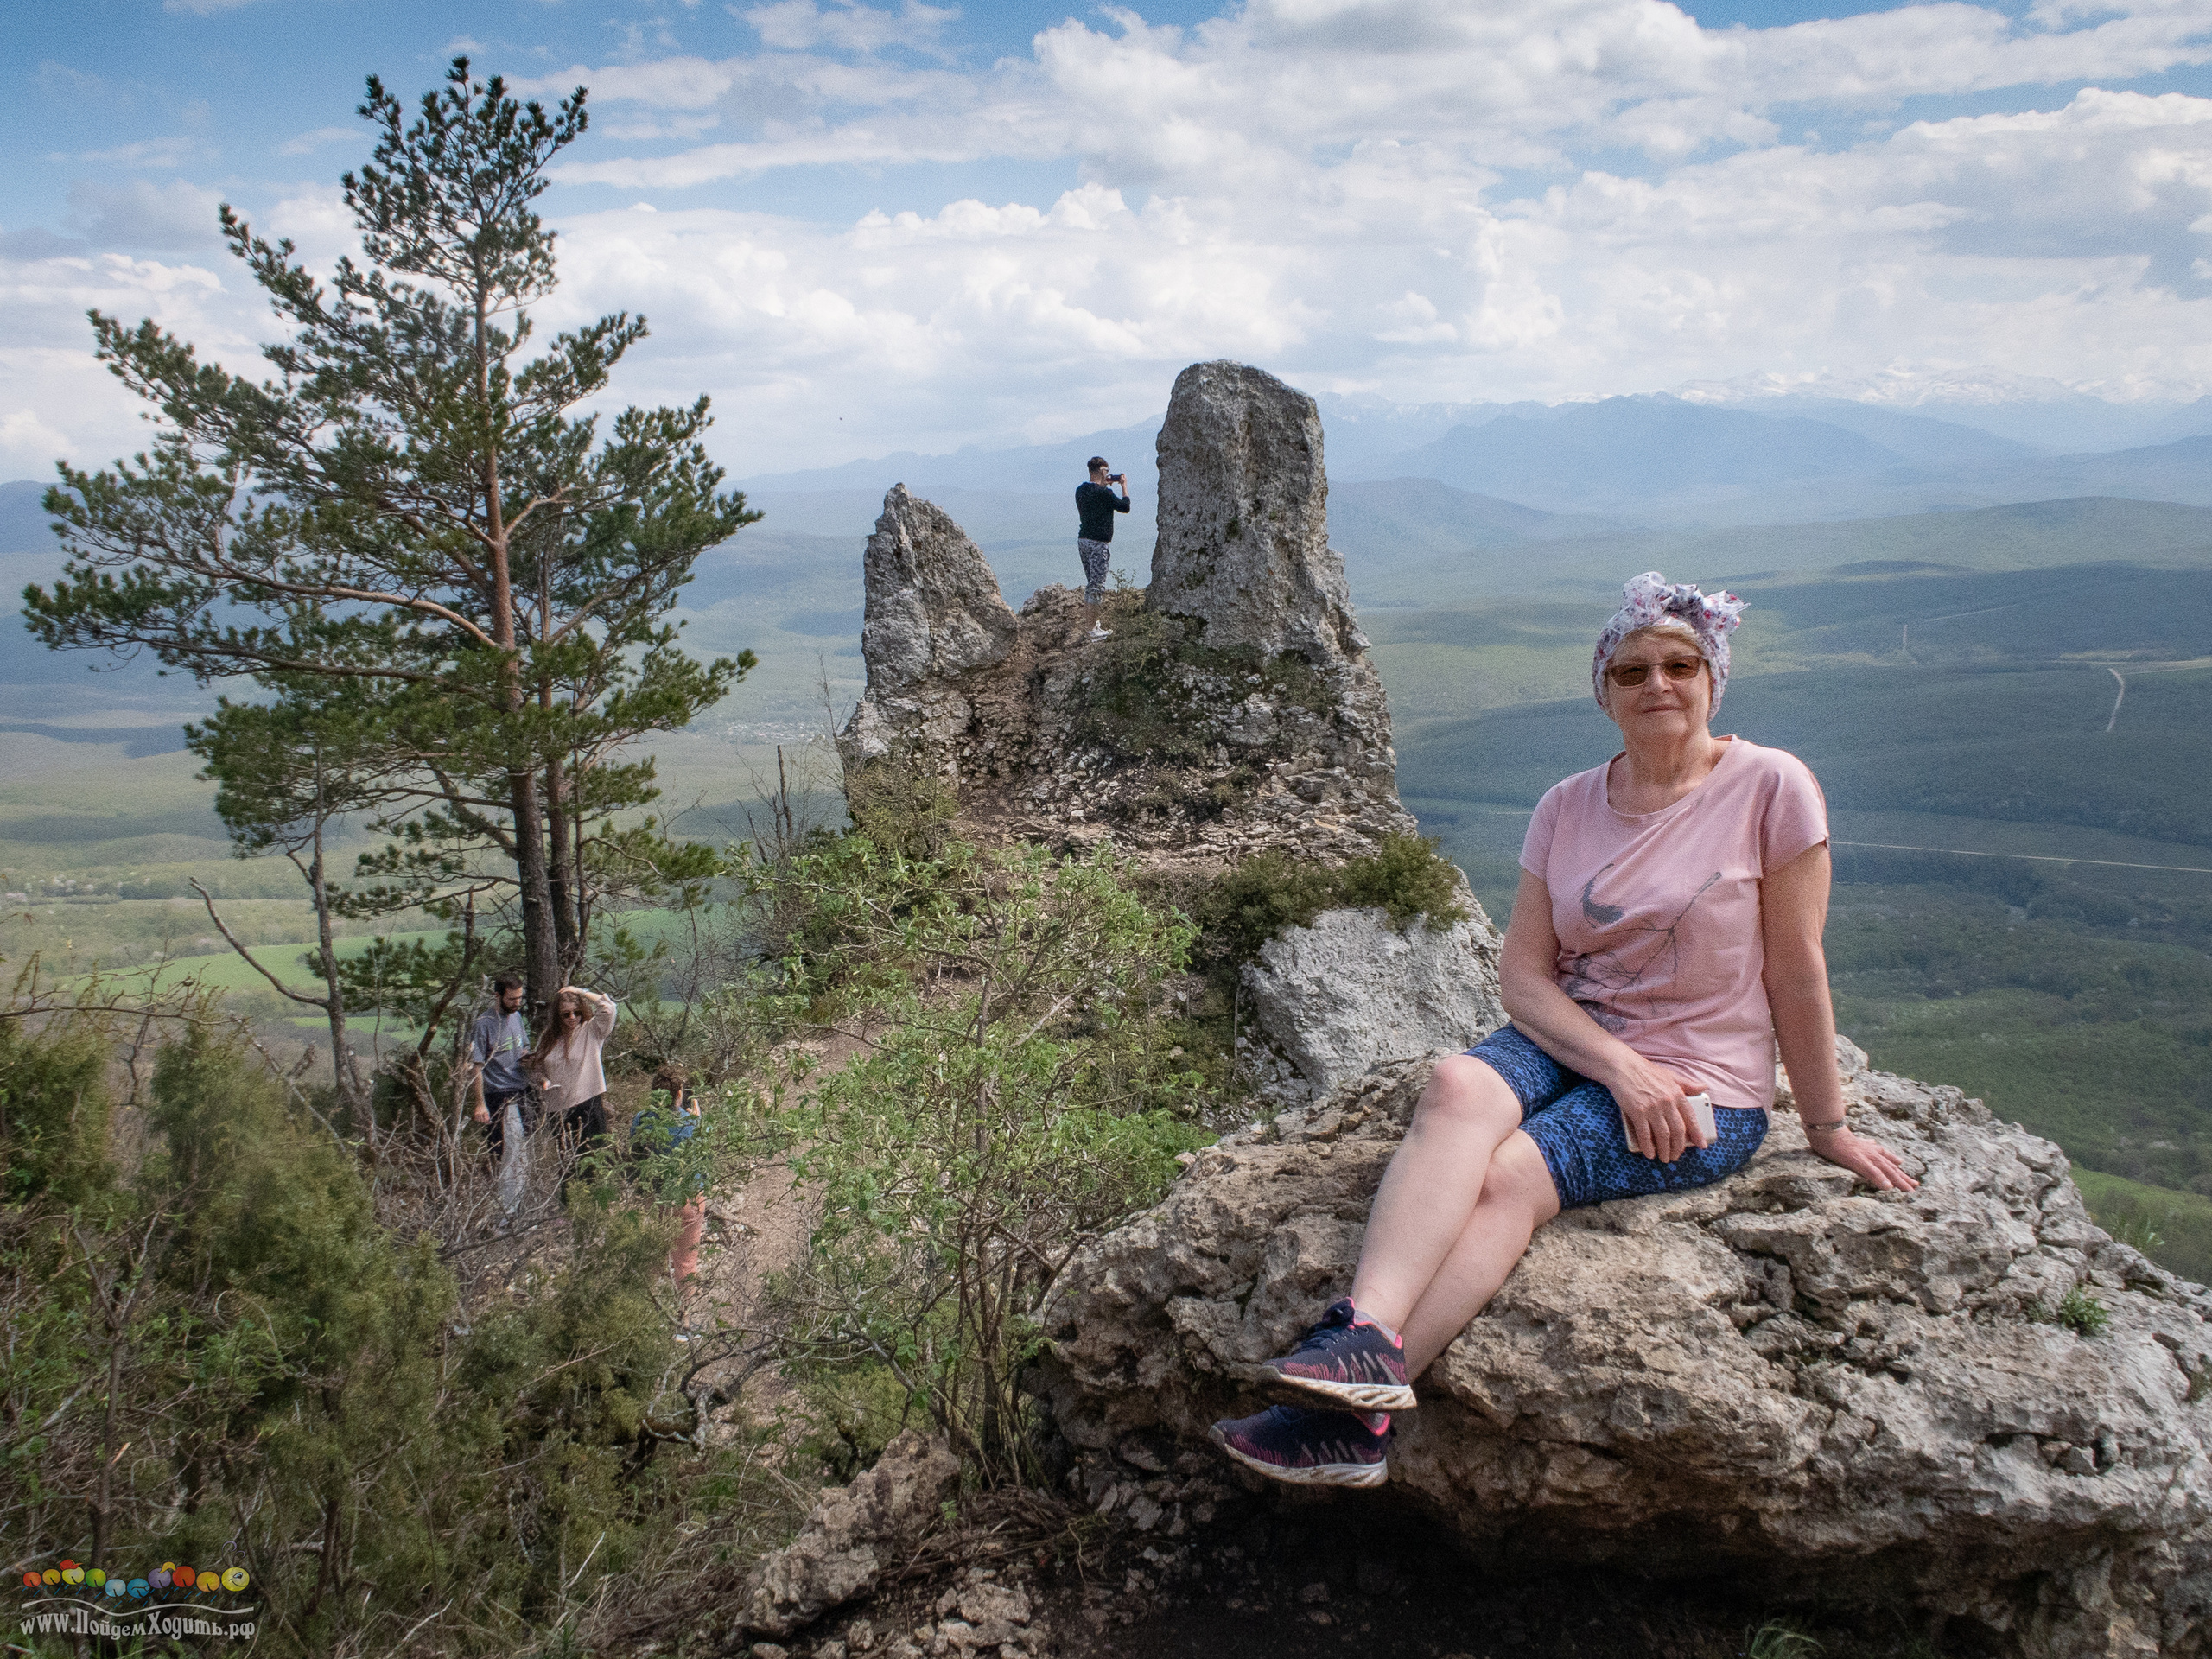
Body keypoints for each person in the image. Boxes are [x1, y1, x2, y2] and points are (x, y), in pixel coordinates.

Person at [1210, 571, 1919, 1488]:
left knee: (1512, 1174)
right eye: (1632, 672)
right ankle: (1366, 1334)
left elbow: (1797, 967)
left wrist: (1825, 1128)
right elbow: (1523, 977)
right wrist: (1621, 1068)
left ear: (1713, 680)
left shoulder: (1770, 786)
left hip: (1707, 1086)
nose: (1657, 684)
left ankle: (1356, 1433)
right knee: (1458, 1086)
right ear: (1604, 691)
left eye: (1679, 665)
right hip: (1580, 1041)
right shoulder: (1566, 803)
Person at [632, 1065, 709, 1333]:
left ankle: (642, 1320)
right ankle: (683, 1322)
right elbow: (703, 1153)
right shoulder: (692, 1123)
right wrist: (697, 1118)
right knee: (686, 1261)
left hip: (655, 1198)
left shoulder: (641, 1119)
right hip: (687, 1197)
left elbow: (635, 1155)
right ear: (680, 1093)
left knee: (652, 1257)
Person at [525, 985, 620, 1160]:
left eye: (577, 1012)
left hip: (588, 1106)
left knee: (591, 1163)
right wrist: (544, 1081)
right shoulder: (549, 1037)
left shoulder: (591, 1031)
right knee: (566, 1166)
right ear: (558, 1016)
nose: (572, 1018)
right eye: (566, 1014)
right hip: (559, 1110)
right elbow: (537, 1070)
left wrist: (581, 991)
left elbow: (609, 1008)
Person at [467, 974, 535, 1157]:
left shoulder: (517, 1017)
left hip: (522, 1090)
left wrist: (527, 1057)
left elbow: (524, 1046)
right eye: (512, 999)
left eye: (520, 998)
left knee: (524, 1147)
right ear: (497, 995)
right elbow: (476, 1066)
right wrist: (480, 1104)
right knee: (501, 1151)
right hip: (498, 1094)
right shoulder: (484, 1025)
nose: (517, 1003)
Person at [1075, 455, 1132, 641]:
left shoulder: (1080, 491)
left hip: (1083, 540)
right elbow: (1125, 507)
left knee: (1091, 583)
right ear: (1101, 471)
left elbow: (1094, 498)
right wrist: (1123, 485)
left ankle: (1091, 624)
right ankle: (1092, 630)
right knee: (1097, 586)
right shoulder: (1104, 494)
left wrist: (1103, 485)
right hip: (1099, 543)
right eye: (1107, 471)